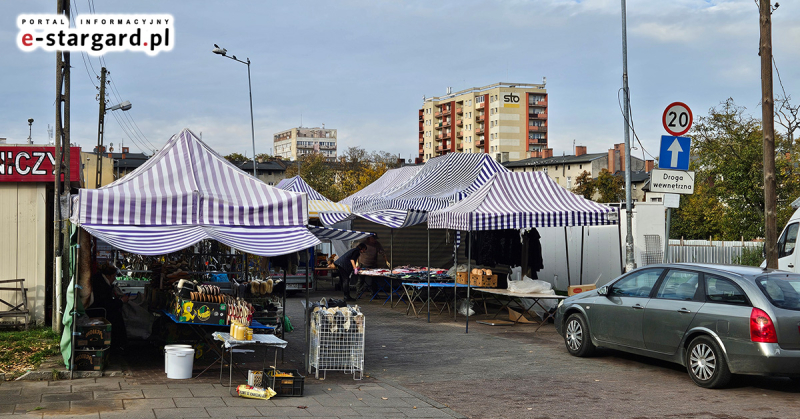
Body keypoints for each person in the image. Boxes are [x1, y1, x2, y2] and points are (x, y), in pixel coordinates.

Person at [89, 264, 129, 352]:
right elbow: (107, 304)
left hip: (101, 309)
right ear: (108, 276)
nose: (114, 279)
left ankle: (119, 344)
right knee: (117, 317)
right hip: (100, 311)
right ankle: (119, 344)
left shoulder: (100, 281)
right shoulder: (102, 285)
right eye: (113, 276)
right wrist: (121, 301)